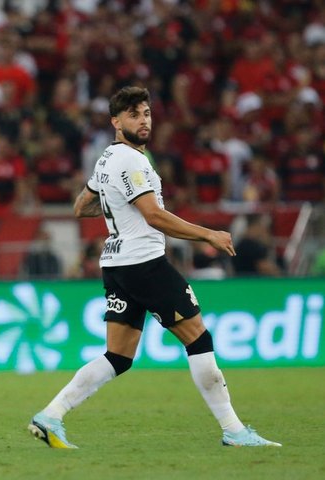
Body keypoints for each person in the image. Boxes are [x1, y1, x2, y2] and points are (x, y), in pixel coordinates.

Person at [28, 86, 280, 449]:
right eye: (133, 114)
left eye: (146, 113)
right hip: (144, 263)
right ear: (116, 121)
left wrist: (116, 203)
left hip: (116, 265)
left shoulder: (106, 159)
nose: (143, 120)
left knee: (118, 356)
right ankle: (234, 430)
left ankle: (50, 416)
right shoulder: (131, 160)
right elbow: (154, 216)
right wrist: (208, 235)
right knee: (199, 339)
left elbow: (82, 206)